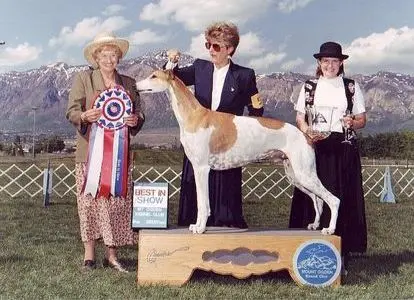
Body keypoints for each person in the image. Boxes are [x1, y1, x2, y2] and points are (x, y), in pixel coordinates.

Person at [165, 22, 264, 228]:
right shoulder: (200, 67)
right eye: (208, 44)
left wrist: (253, 135)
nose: (211, 49)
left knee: (227, 188)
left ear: (230, 50)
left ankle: (226, 226)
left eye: (216, 46)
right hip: (199, 138)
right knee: (196, 181)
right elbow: (173, 77)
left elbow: (255, 108)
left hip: (227, 142)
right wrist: (172, 62)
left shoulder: (245, 75)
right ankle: (193, 222)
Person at [66, 32, 144, 271]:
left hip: (119, 158)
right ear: (96, 58)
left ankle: (112, 255)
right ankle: (89, 257)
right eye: (105, 55)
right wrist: (83, 116)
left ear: (119, 58)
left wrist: (135, 119)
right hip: (88, 156)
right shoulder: (84, 79)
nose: (110, 60)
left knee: (115, 205)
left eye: (114, 55)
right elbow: (71, 110)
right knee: (88, 205)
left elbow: (140, 113)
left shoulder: (129, 83)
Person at [288, 41, 367, 272]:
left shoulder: (351, 87)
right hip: (314, 145)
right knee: (312, 191)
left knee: (341, 192)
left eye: (334, 61)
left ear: (341, 63)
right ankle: (306, 245)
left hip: (343, 147)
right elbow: (300, 117)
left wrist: (353, 122)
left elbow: (362, 119)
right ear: (319, 63)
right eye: (326, 61)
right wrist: (306, 131)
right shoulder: (309, 86)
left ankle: (340, 249)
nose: (330, 65)